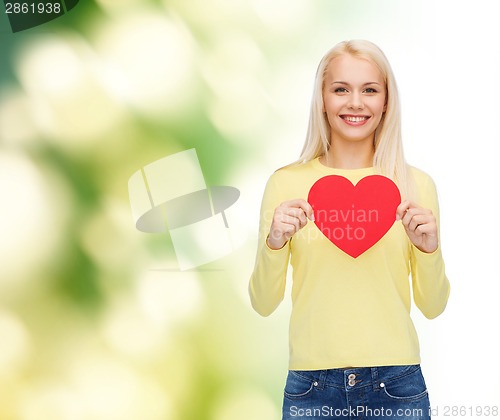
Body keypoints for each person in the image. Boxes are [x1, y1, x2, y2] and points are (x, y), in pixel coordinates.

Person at [248, 40, 450, 420]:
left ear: (386, 102)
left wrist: (429, 250)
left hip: (397, 384)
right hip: (311, 388)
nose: (355, 103)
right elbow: (262, 303)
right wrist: (274, 243)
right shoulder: (285, 183)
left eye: (369, 90)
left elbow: (434, 305)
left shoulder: (416, 185)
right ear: (322, 99)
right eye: (341, 89)